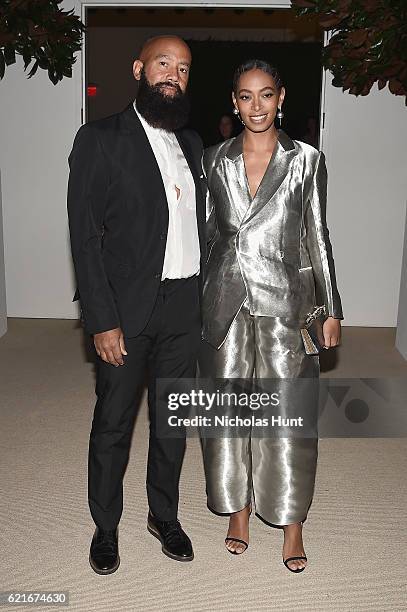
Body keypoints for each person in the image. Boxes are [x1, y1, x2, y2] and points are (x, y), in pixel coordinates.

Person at [67, 36, 206, 573]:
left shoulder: (192, 144)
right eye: (163, 63)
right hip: (126, 310)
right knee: (114, 422)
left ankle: (163, 516)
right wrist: (101, 319)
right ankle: (105, 526)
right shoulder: (99, 138)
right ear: (139, 69)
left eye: (184, 68)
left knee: (173, 420)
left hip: (184, 304)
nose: (173, 74)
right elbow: (85, 236)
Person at [199, 59, 343, 572]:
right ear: (233, 103)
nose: (255, 106)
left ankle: (291, 521)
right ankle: (237, 512)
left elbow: (318, 235)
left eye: (265, 95)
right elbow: (208, 234)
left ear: (281, 97)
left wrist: (330, 307)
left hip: (287, 298)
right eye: (244, 96)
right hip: (225, 298)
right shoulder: (213, 158)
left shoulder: (306, 158)